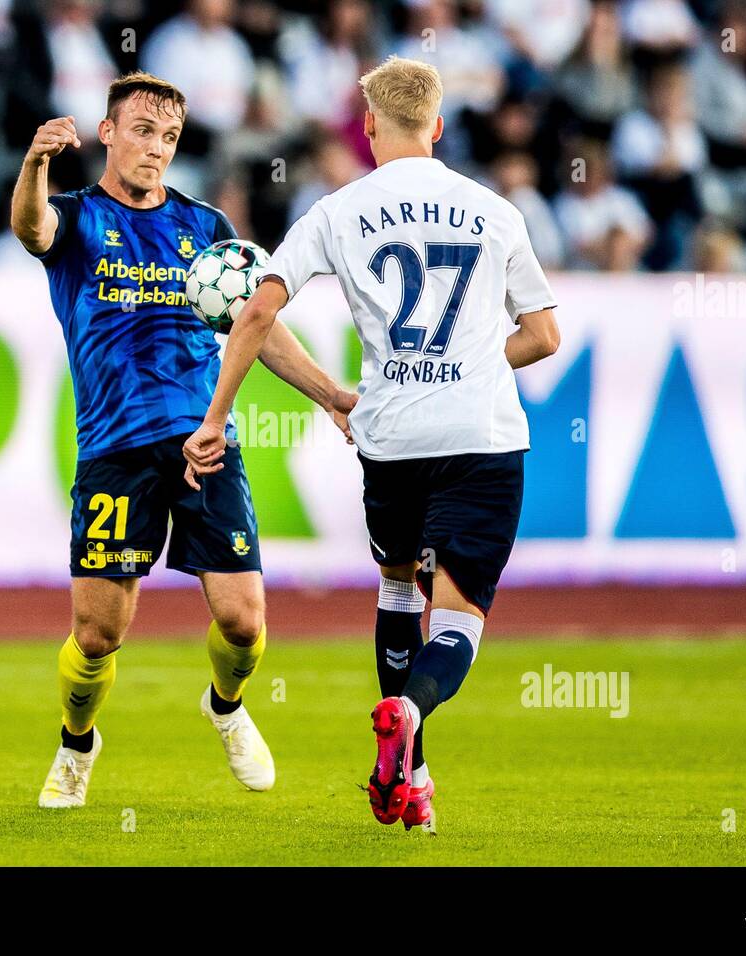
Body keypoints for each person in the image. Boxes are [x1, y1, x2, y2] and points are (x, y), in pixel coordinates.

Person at [183, 57, 561, 833]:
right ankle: (410, 716)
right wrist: (470, 366)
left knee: (395, 590)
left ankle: (413, 778)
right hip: (482, 438)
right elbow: (544, 336)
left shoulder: (338, 209)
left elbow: (256, 313)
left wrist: (217, 417)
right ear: (439, 127)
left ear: (368, 129)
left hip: (390, 438)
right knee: (456, 622)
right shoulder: (493, 210)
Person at [12, 71, 356, 809]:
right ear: (108, 133)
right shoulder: (74, 217)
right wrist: (36, 163)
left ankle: (225, 707)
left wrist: (331, 394)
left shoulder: (205, 229)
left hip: (206, 443)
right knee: (99, 636)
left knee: (244, 621)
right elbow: (29, 229)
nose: (155, 148)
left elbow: (254, 326)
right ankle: (78, 745)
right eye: (142, 130)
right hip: (114, 449)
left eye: (168, 136)